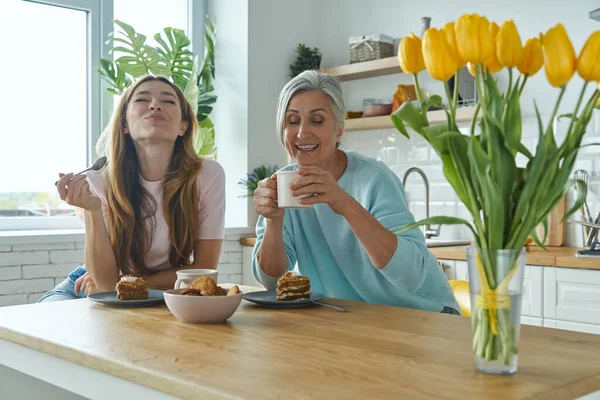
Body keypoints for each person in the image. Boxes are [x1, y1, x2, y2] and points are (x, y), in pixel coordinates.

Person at [251, 70, 459, 314]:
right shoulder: (284, 184)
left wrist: (344, 203)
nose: (302, 132)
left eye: (316, 121)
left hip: (423, 316)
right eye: (292, 121)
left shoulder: (374, 179)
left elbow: (411, 276)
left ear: (339, 130)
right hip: (350, 319)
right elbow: (271, 282)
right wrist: (273, 221)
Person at [39, 75, 225, 302]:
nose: (155, 105)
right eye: (141, 100)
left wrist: (135, 283)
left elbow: (205, 267)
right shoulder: (97, 181)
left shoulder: (207, 175)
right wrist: (92, 209)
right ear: (125, 125)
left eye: (168, 101)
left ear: (183, 126)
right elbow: (106, 285)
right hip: (84, 288)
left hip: (151, 291)